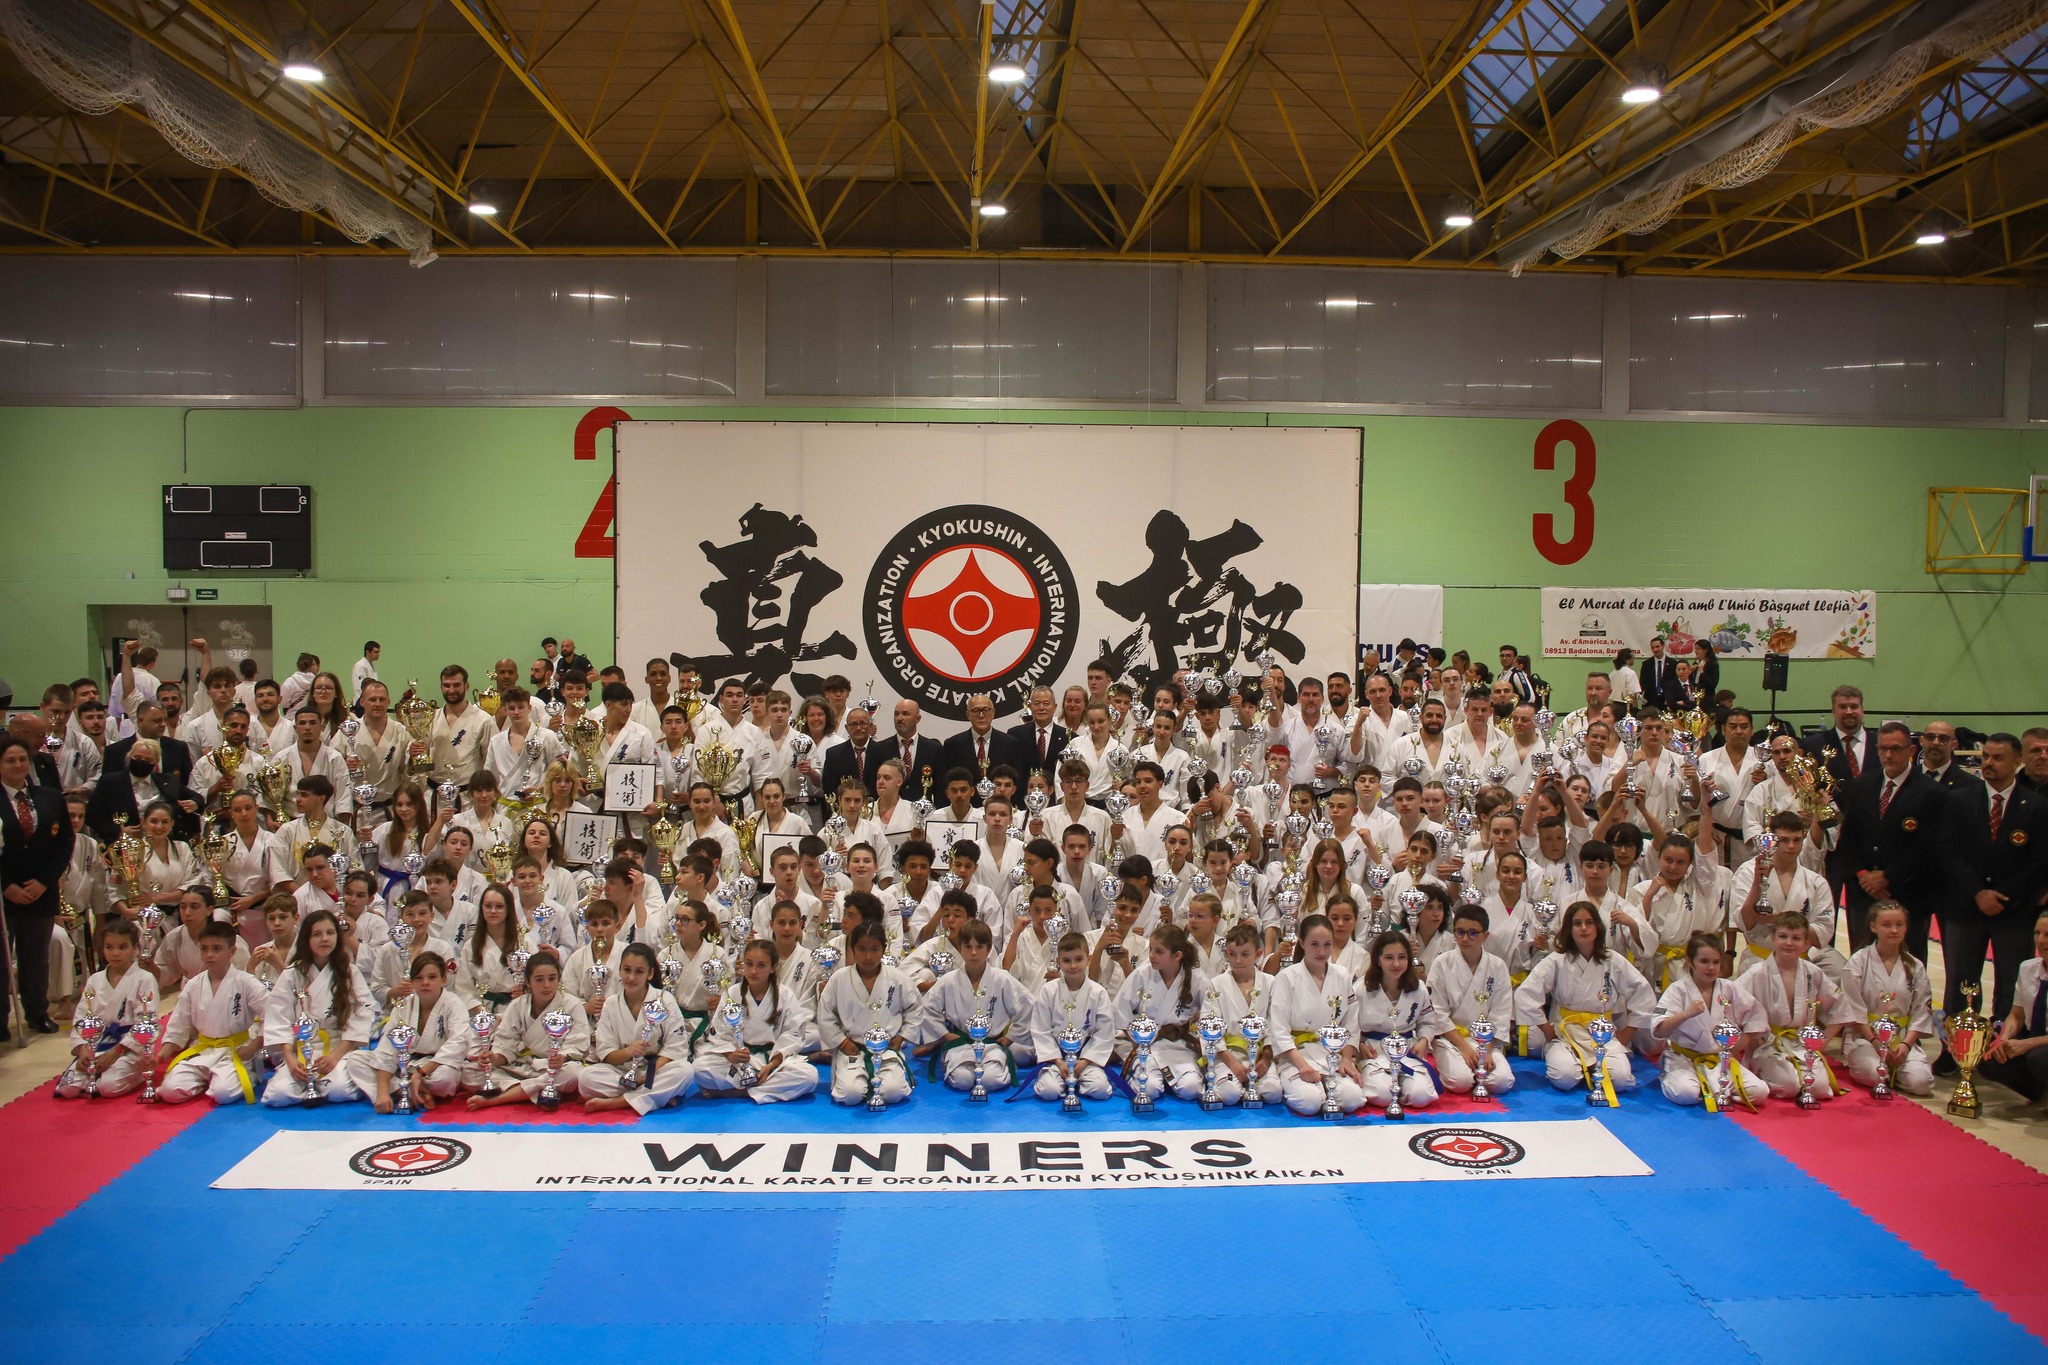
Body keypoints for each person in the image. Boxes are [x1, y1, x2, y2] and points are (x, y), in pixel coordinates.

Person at [1937, 733, 2047, 1021]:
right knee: (1961, 982)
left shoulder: (2036, 806)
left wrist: (2003, 895)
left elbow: (2039, 860)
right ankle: (1958, 1042)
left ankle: (2004, 1042)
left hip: (2014, 910)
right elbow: (1947, 851)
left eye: (1998, 758)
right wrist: (1978, 892)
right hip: (1966, 906)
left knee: (2012, 982)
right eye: (1986, 756)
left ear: (2017, 761)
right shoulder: (1958, 800)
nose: (1988, 763)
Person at [1514, 901, 1654, 1101]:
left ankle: (1590, 1067)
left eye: (1589, 922)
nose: (1584, 928)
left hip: (1602, 1033)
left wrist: (1628, 1032)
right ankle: (1580, 1066)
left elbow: (1642, 992)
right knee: (1564, 1078)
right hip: (1566, 1033)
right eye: (1577, 923)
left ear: (1598, 927)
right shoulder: (1557, 960)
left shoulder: (1612, 960)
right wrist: (1546, 1028)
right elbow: (1526, 994)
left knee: (1621, 1080)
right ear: (1569, 929)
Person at [260, 908, 373, 1107]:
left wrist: (335, 1057)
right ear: (306, 939)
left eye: (330, 933)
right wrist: (291, 1060)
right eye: (317, 934)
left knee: (339, 1090)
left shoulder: (349, 972)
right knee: (278, 1095)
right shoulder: (292, 974)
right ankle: (308, 1083)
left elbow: (361, 1015)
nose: (325, 939)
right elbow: (279, 1018)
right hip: (301, 1049)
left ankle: (321, 1083)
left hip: (337, 1048)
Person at [1737, 910, 1850, 1102]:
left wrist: (1823, 1041)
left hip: (1801, 1043)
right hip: (1767, 1044)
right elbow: (1731, 1004)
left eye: (1796, 938)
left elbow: (1841, 1006)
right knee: (1788, 1086)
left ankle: (1795, 1075)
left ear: (1806, 943)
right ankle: (1761, 1070)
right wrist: (1751, 1039)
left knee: (1819, 1087)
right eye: (1783, 936)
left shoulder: (1813, 972)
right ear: (1773, 939)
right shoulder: (1757, 972)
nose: (1789, 943)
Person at [2, 734, 73, 1036]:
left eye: (22, 759)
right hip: (4, 894)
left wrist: (45, 881)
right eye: (10, 760)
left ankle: (37, 1013)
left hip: (40, 892)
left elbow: (65, 842)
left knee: (36, 957)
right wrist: (6, 885)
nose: (18, 765)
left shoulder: (50, 798)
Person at [1651, 933, 1769, 1110]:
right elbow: (1659, 1030)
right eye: (1704, 961)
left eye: (1716, 962)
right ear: (1690, 962)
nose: (1711, 967)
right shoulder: (1678, 990)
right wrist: (1686, 1014)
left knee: (1760, 1092)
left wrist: (1739, 1044)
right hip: (1684, 1058)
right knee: (1686, 1093)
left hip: (1719, 1060)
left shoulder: (1729, 988)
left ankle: (1713, 1089)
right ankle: (1678, 1076)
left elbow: (1756, 1016)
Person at [156, 920, 269, 1105]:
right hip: (204, 1049)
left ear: (232, 951)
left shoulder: (246, 982)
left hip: (236, 1050)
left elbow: (272, 1014)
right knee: (169, 1091)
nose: (209, 955)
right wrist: (158, 1056)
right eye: (204, 949)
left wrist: (254, 1046)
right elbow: (178, 1025)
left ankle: (249, 1072)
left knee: (223, 1093)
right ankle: (207, 1078)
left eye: (216, 949)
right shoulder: (193, 985)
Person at [914, 918, 1033, 1092]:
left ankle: (1003, 1065)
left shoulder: (1002, 979)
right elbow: (927, 1009)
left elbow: (1028, 1006)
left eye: (980, 947)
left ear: (989, 949)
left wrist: (1010, 1037)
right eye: (968, 946)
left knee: (992, 1080)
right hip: (961, 1044)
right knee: (962, 1081)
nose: (974, 953)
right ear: (960, 948)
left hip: (992, 1044)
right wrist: (945, 1035)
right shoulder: (948, 980)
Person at [347, 951, 471, 1113]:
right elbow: (387, 1048)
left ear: (444, 980)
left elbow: (458, 1043)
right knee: (356, 1060)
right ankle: (408, 1092)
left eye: (432, 977)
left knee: (444, 1078)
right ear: (412, 982)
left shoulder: (454, 1004)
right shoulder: (404, 1005)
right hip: (406, 1064)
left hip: (434, 1066)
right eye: (419, 978)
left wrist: (421, 1073)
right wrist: (382, 1093)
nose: (425, 982)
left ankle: (407, 1089)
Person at [581, 943, 696, 1115]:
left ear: (650, 973)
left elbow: (675, 1048)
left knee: (685, 1071)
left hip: (656, 1069)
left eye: (639, 971)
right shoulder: (611, 1004)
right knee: (586, 1078)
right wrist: (629, 1051)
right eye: (627, 970)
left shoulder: (665, 1000)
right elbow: (607, 1054)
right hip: (623, 1070)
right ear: (619, 970)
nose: (631, 977)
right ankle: (655, 1096)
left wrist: (646, 1077)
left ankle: (620, 1102)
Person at [466, 950, 590, 1109]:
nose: (547, 985)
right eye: (539, 979)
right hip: (523, 1066)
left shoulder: (572, 1004)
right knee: (469, 1072)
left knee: (573, 1073)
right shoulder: (518, 1005)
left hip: (552, 1067)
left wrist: (562, 1056)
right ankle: (538, 1090)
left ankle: (498, 1098)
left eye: (552, 978)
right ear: (528, 982)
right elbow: (505, 1043)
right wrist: (494, 1058)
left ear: (559, 979)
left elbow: (578, 1043)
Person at [1268, 913, 1365, 1116]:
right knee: (1310, 1102)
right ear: (1302, 943)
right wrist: (1302, 1066)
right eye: (1314, 944)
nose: (1321, 952)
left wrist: (1347, 1059)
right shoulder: (1286, 977)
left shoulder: (1341, 975)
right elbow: (1278, 1029)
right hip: (1296, 1054)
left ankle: (1327, 1088)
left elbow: (1351, 1023)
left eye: (1327, 944)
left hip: (1331, 1053)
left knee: (1352, 1098)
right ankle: (1312, 1089)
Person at [818, 919, 920, 1106]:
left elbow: (915, 1008)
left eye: (874, 949)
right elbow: (825, 1015)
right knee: (850, 1095)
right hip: (853, 1049)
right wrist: (843, 1042)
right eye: (862, 949)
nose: (868, 957)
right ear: (852, 949)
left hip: (887, 1049)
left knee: (893, 1092)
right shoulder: (839, 979)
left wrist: (902, 1037)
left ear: (883, 949)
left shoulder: (897, 978)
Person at [1840, 901, 1936, 1097]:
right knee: (1873, 1074)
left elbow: (1921, 1011)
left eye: (1899, 924)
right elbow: (1853, 1009)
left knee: (1921, 1084)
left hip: (1901, 1038)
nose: (1894, 930)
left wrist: (1906, 1045)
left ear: (1906, 927)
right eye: (1887, 925)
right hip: (1866, 1038)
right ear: (1873, 927)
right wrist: (1876, 1042)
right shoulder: (1858, 962)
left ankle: (1896, 1072)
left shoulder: (1915, 966)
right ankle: (1887, 1073)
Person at [54, 919, 160, 1099]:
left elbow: (146, 1023)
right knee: (67, 1088)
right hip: (97, 1042)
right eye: (109, 947)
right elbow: (82, 1017)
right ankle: (92, 1074)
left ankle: (137, 1073)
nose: (115, 953)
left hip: (129, 1047)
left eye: (122, 947)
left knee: (108, 1087)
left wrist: (115, 1053)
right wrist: (82, 1049)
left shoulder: (144, 979)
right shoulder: (95, 980)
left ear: (134, 948)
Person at [1112, 924, 1209, 1101]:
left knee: (1191, 1089)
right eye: (1151, 949)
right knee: (1149, 1089)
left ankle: (1169, 1077)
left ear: (1177, 955)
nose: (1151, 955)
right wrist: (1136, 1040)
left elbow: (1211, 1013)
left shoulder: (1197, 978)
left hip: (1178, 1044)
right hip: (1144, 1044)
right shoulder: (1143, 973)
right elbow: (1120, 1009)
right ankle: (1150, 1077)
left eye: (1159, 951)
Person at [1427, 904, 1516, 1096]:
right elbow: (1438, 1012)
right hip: (1450, 1039)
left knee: (1501, 1082)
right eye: (1460, 932)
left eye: (1473, 933)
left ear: (1485, 936)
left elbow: (1500, 1013)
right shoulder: (1442, 963)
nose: (1466, 938)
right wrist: (1464, 1048)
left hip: (1484, 1039)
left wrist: (1488, 1050)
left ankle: (1478, 1065)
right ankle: (1459, 1066)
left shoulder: (1497, 966)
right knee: (1461, 1082)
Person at [1355, 929, 1444, 1112]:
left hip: (1406, 1050)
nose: (1396, 964)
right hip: (1374, 1052)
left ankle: (1403, 1088)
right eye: (1389, 957)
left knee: (1421, 1095)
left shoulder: (1419, 988)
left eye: (1402, 957)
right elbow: (1349, 1024)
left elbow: (1427, 1021)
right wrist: (1359, 1044)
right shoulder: (1361, 989)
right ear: (1378, 960)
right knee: (1382, 1095)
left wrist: (1424, 1040)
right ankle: (1391, 1087)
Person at [1029, 931, 1116, 1102]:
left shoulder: (1098, 993)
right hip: (1056, 1059)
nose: (1073, 966)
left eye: (1079, 959)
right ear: (1058, 962)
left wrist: (1084, 1062)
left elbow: (1104, 1032)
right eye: (1067, 961)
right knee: (1049, 1091)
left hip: (1086, 1058)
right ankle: (1059, 1080)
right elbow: (1041, 1030)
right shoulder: (1048, 991)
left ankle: (1077, 1081)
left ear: (1088, 959)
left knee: (1100, 1090)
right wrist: (1058, 1061)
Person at [1978, 909, 2048, 1102]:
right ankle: (2039, 1093)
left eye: (2047, 935)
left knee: (2039, 1059)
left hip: (2041, 1046)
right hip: (2034, 1040)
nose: (2041, 940)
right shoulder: (2027, 968)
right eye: (2037, 933)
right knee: (1988, 1060)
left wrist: (2027, 1044)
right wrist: (2003, 1039)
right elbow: (2016, 1015)